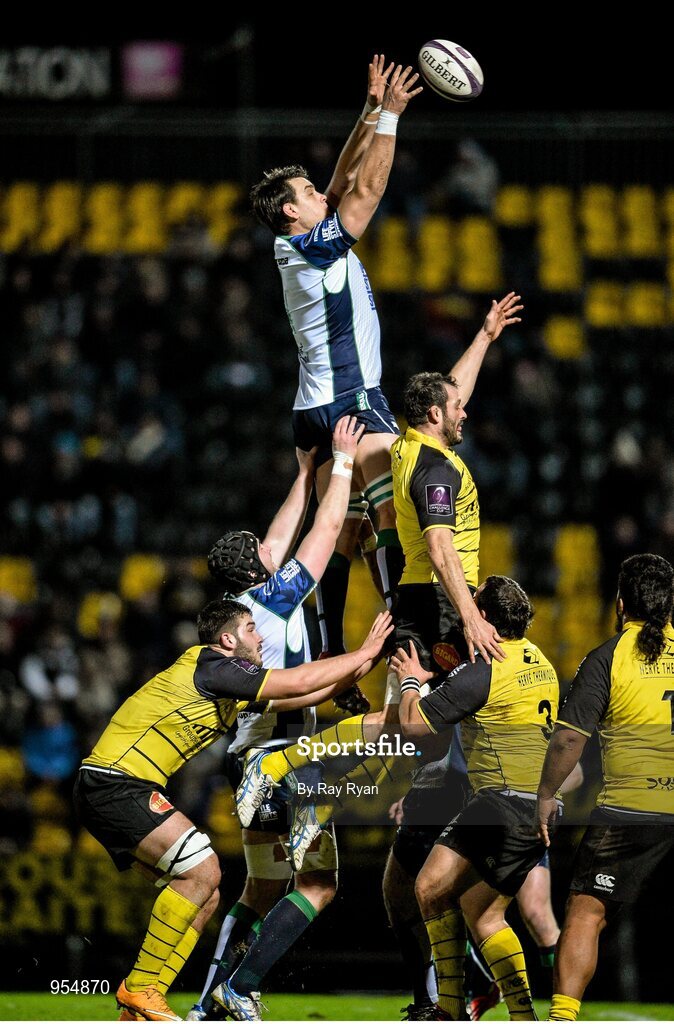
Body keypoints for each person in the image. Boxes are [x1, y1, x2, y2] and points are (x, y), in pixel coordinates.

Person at [233, 294, 524, 865]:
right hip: (430, 598)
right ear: (434, 417)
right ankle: (286, 767)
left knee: (412, 727)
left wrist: (485, 336)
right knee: (407, 725)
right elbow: (429, 544)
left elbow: (453, 394)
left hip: (425, 595)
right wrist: (467, 617)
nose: (465, 412)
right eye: (455, 409)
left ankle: (317, 787)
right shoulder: (415, 459)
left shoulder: (407, 441)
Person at [73, 596, 392, 1022]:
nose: (259, 636)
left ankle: (143, 1006)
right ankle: (142, 987)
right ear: (227, 638)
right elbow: (295, 682)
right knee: (202, 870)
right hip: (116, 781)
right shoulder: (213, 665)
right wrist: (365, 651)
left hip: (115, 784)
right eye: (249, 628)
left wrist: (362, 668)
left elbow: (300, 696)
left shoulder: (226, 683)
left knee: (205, 894)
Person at [186, 417, 367, 1021]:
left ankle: (212, 996)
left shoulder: (241, 610)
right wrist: (340, 462)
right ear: (261, 566)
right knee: (319, 884)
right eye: (266, 552)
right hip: (287, 762)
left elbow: (282, 533)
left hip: (246, 765)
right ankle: (242, 985)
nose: (273, 547)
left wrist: (300, 475)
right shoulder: (276, 597)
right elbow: (324, 528)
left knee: (262, 888)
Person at [249, 55, 422, 668]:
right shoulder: (313, 248)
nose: (320, 193)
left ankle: (330, 651)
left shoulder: (297, 239)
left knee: (340, 533)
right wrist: (395, 119)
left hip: (312, 409)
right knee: (389, 512)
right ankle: (411, 636)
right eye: (306, 193)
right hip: (351, 396)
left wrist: (371, 109)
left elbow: (345, 174)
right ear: (292, 212)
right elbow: (367, 188)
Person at [390, 575, 560, 1022]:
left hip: (500, 804)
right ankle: (522, 1015)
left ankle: (448, 1009)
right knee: (484, 915)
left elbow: (412, 727)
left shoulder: (485, 668)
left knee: (428, 887)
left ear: (480, 617)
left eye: (472, 601)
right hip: (537, 809)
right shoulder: (538, 658)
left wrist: (411, 682)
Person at [536, 552, 674, 1023]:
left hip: (630, 811)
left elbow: (569, 739)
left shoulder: (607, 658)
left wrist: (546, 794)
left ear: (620, 603)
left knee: (586, 912)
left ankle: (563, 1016)